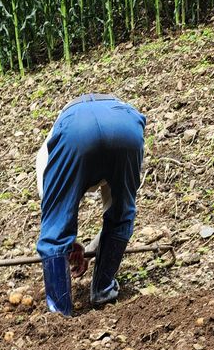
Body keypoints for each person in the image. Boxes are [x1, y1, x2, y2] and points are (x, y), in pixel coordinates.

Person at [36, 94, 146, 316]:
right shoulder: (116, 133)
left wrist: (68, 244)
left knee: (55, 233)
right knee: (122, 215)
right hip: (126, 126)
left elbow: (56, 218)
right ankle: (103, 290)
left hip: (76, 131)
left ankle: (59, 313)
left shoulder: (46, 156)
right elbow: (116, 218)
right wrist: (81, 247)